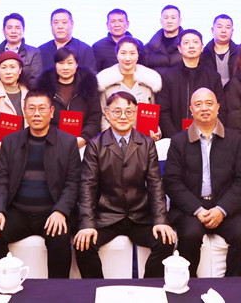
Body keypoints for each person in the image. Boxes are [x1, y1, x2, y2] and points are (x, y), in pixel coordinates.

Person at [74, 91, 176, 278]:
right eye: (117, 111)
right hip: (107, 216)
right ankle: (97, 288)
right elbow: (87, 187)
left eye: (129, 112)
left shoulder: (146, 143)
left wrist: (161, 221)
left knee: (166, 241)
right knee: (83, 245)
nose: (123, 116)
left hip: (139, 216)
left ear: (136, 114)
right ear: (107, 113)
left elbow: (155, 185)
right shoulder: (95, 145)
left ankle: (148, 288)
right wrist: (87, 223)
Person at [0, 89, 81, 278]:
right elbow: (0, 180)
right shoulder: (10, 141)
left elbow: (73, 183)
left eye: (42, 109)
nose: (37, 114)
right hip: (18, 212)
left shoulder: (67, 142)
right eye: (32, 108)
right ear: (24, 111)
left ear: (52, 112)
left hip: (51, 211)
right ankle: (3, 284)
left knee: (60, 238)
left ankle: (58, 290)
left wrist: (61, 211)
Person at [164, 88, 241, 277]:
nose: (204, 108)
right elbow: (172, 182)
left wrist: (221, 209)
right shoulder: (179, 141)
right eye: (198, 104)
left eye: (209, 103)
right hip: (191, 209)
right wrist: (197, 209)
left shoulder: (233, 140)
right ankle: (190, 284)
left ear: (218, 107)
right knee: (189, 235)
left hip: (225, 208)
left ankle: (230, 285)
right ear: (191, 110)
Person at [157, 29, 225, 138]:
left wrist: (208, 134)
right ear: (179, 48)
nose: (191, 46)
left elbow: (220, 109)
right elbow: (163, 111)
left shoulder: (213, 77)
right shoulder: (168, 77)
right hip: (175, 138)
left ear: (202, 47)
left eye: (195, 42)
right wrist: (176, 138)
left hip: (208, 137)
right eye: (186, 43)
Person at [36, 47, 101, 148]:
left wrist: (83, 138)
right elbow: (39, 117)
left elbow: (95, 118)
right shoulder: (44, 88)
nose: (65, 67)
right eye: (61, 63)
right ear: (55, 65)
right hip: (50, 142)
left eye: (70, 63)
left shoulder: (88, 86)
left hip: (82, 143)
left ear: (76, 65)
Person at [96, 36, 162, 134]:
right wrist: (109, 137)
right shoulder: (105, 82)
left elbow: (154, 114)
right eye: (123, 53)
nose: (127, 58)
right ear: (117, 54)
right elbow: (103, 116)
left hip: (143, 138)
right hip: (114, 138)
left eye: (132, 53)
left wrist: (155, 133)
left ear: (138, 55)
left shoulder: (149, 81)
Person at [0, 13, 43, 87]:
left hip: (25, 92)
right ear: (3, 31)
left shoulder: (34, 53)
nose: (13, 31)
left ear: (23, 30)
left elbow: (36, 80)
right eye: (9, 28)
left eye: (17, 28)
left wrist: (19, 91)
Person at [37, 8, 96, 72]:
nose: (60, 27)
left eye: (64, 22)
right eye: (56, 23)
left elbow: (90, 75)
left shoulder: (85, 49)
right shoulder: (41, 50)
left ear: (72, 24)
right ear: (51, 25)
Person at [92, 8, 142, 72]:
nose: (117, 25)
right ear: (107, 25)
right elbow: (95, 72)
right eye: (113, 21)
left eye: (121, 21)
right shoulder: (98, 47)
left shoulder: (138, 44)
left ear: (127, 24)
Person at [143, 4, 184, 73]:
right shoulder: (148, 48)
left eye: (173, 18)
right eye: (166, 18)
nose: (169, 21)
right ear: (161, 21)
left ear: (180, 21)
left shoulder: (188, 46)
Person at [202, 14, 239, 87]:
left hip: (235, 93)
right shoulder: (203, 54)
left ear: (232, 31)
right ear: (212, 30)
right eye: (219, 27)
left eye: (227, 27)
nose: (223, 31)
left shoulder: (240, 52)